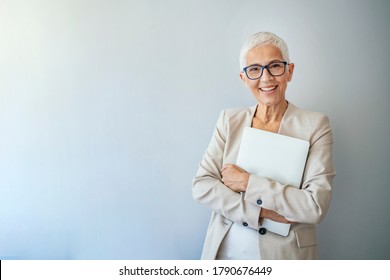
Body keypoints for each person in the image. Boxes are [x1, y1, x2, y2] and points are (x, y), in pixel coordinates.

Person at [192, 31, 335, 260]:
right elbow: (202, 186)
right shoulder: (229, 120)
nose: (266, 78)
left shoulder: (316, 125)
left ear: (289, 71)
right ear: (244, 78)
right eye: (255, 69)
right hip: (225, 253)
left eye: (275, 66)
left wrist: (247, 183)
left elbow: (314, 206)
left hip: (286, 256)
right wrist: (262, 212)